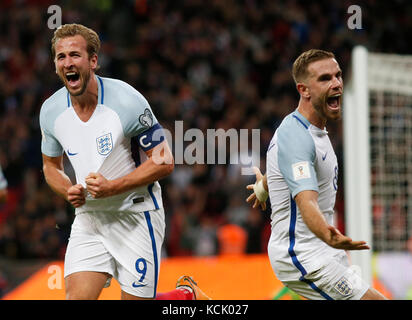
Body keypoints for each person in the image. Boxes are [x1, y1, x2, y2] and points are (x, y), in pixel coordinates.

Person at [40, 23, 210, 300]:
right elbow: (51, 166)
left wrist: (113, 187)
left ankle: (182, 296)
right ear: (55, 64)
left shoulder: (126, 101)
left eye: (75, 55)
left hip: (135, 216)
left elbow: (164, 160)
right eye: (61, 57)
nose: (68, 63)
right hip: (90, 218)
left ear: (93, 61)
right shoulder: (51, 111)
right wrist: (65, 188)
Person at [246, 49, 387, 300]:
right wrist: (329, 235)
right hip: (303, 255)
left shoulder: (310, 130)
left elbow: (288, 167)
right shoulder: (297, 136)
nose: (336, 84)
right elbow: (306, 200)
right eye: (324, 79)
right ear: (304, 90)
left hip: (321, 250)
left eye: (338, 75)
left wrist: (264, 186)